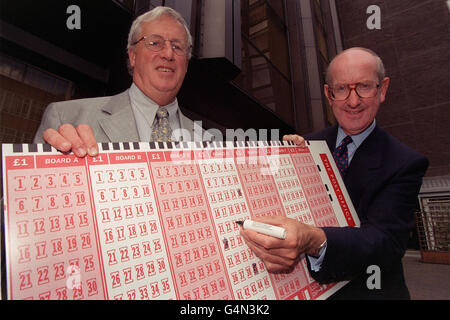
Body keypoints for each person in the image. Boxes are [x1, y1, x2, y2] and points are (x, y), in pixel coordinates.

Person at [241, 47, 429, 299]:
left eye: (364, 86)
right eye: (341, 89)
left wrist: (314, 239)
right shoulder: (305, 146)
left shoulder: (405, 162)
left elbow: (384, 242)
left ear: (382, 89)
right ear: (328, 94)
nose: (353, 101)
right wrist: (284, 165)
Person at [33, 6, 208, 156]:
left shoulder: (210, 142)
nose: (168, 54)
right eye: (155, 43)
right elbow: (25, 194)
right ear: (132, 56)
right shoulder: (66, 118)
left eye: (177, 46)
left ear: (186, 63)